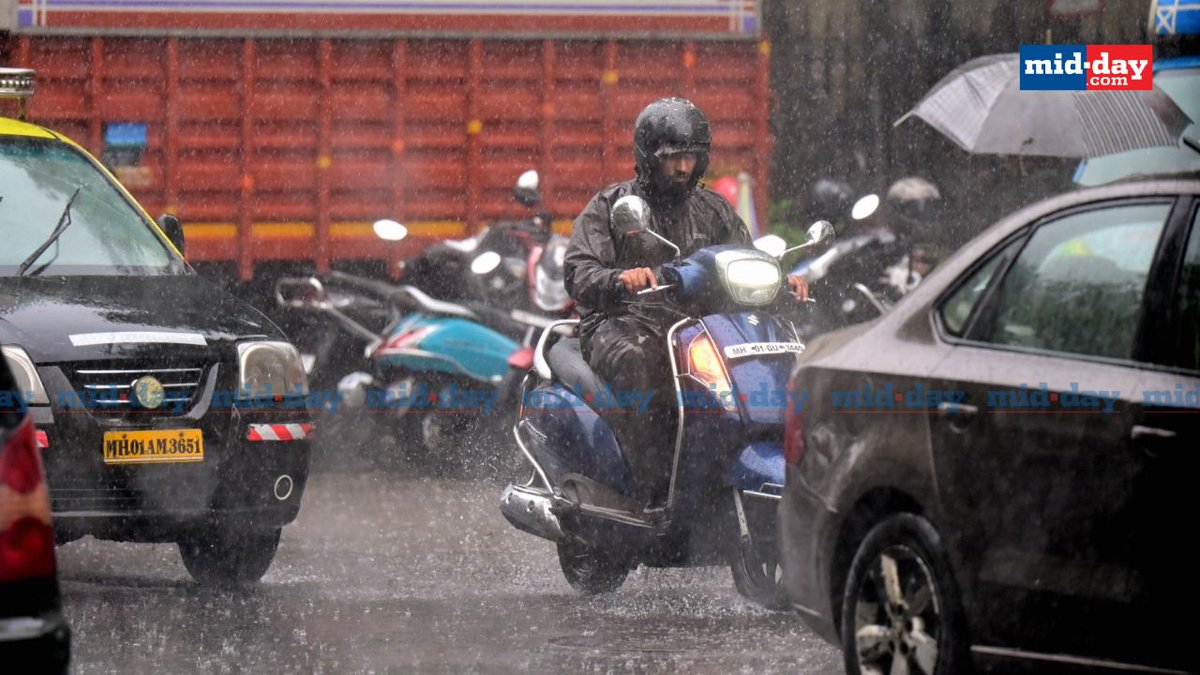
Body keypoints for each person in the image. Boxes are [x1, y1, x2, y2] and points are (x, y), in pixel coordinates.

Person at [563, 97, 808, 505]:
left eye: (692, 158)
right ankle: (647, 488)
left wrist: (781, 281)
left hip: (697, 326)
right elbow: (577, 271)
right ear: (648, 156)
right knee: (641, 365)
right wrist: (620, 279)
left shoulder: (713, 209)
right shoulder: (611, 206)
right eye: (673, 158)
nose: (682, 168)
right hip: (622, 322)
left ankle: (718, 471)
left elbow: (743, 258)